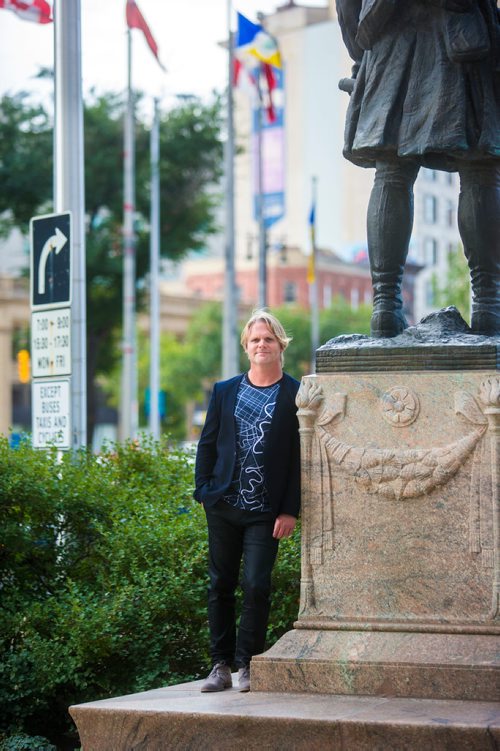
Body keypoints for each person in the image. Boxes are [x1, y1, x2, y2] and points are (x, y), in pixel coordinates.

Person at [336, 0, 500, 337]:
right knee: (479, 170)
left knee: (392, 172)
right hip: (463, 37)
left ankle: (385, 305)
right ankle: (488, 303)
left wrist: (360, 49)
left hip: (390, 40)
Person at [194, 310, 300, 693]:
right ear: (246, 346)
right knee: (220, 583)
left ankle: (247, 663)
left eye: (268, 339)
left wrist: (289, 509)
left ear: (279, 345)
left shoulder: (294, 393)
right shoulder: (226, 391)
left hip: (265, 511)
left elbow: (297, 457)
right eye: (255, 340)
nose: (261, 345)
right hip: (223, 504)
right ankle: (220, 665)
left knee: (256, 584)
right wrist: (203, 490)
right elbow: (208, 442)